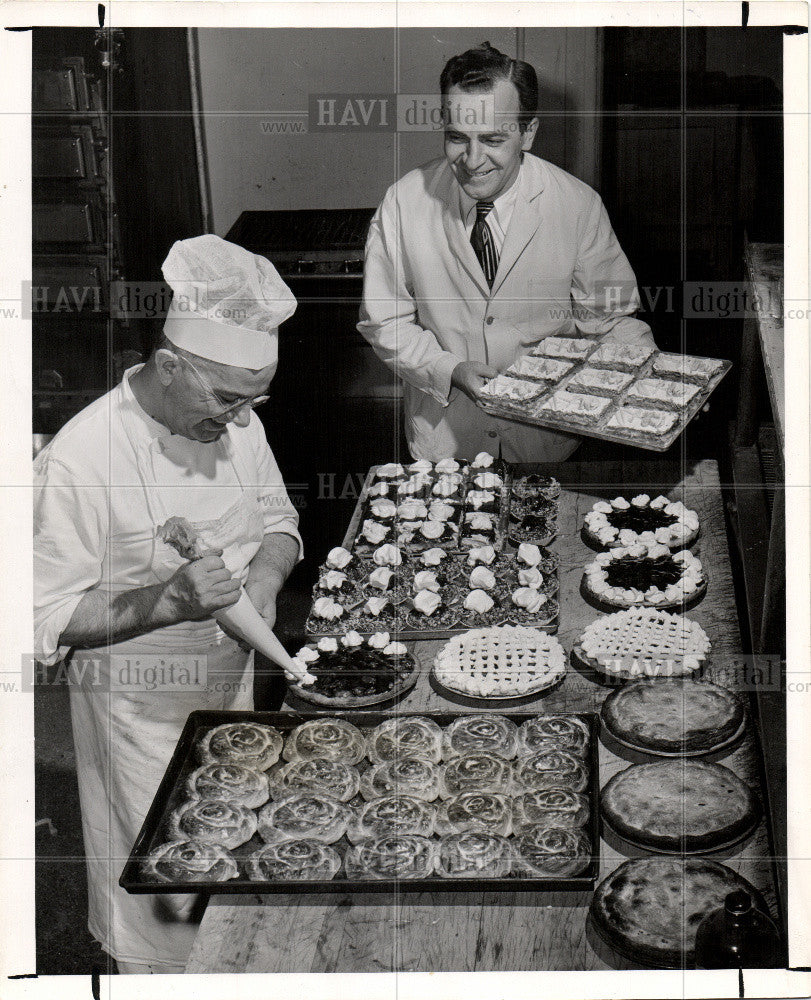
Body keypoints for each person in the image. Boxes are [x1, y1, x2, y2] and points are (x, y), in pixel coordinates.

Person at [33, 235, 302, 973]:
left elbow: (279, 524)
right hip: (139, 725)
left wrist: (264, 583)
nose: (243, 422)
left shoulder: (234, 420)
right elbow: (42, 619)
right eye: (226, 401)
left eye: (257, 402)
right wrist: (166, 602)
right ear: (169, 365)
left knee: (237, 888)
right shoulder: (81, 459)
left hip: (231, 700)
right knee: (166, 920)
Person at [358, 43, 655, 462]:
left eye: (493, 139)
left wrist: (654, 381)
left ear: (527, 133)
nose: (473, 160)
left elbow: (611, 321)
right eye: (457, 137)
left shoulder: (576, 204)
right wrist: (449, 370)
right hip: (445, 441)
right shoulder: (404, 202)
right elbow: (384, 321)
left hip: (547, 442)